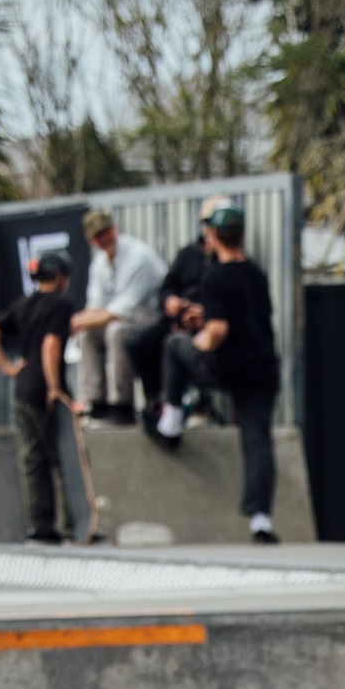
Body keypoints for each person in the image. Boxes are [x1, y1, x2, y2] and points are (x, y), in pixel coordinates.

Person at [151, 203, 283, 543]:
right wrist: (206, 314)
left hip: (227, 367)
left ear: (212, 235)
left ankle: (171, 422)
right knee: (257, 439)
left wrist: (200, 339)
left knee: (174, 345)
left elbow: (219, 331)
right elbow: (246, 313)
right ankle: (261, 521)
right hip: (262, 367)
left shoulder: (215, 276)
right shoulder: (256, 273)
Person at [0, 250, 77, 544]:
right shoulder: (60, 305)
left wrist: (9, 369)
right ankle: (74, 524)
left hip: (22, 390)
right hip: (45, 392)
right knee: (63, 458)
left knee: (34, 459)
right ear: (58, 276)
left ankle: (41, 525)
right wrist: (55, 387)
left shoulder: (23, 304)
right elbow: (51, 346)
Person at [128, 194, 228, 429]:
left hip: (205, 324)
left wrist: (203, 314)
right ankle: (156, 401)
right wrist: (170, 301)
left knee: (178, 345)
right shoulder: (188, 253)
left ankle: (190, 406)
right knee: (138, 344)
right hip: (176, 319)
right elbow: (167, 286)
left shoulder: (227, 260)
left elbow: (228, 306)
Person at [67, 209, 165, 425]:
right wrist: (76, 323)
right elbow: (96, 306)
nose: (104, 238)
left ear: (115, 229)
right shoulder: (100, 262)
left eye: (106, 232)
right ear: (91, 240)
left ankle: (122, 404)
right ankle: (95, 401)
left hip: (151, 317)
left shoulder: (138, 256)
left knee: (116, 331)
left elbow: (122, 310)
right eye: (98, 235)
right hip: (123, 316)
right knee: (87, 334)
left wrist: (73, 322)